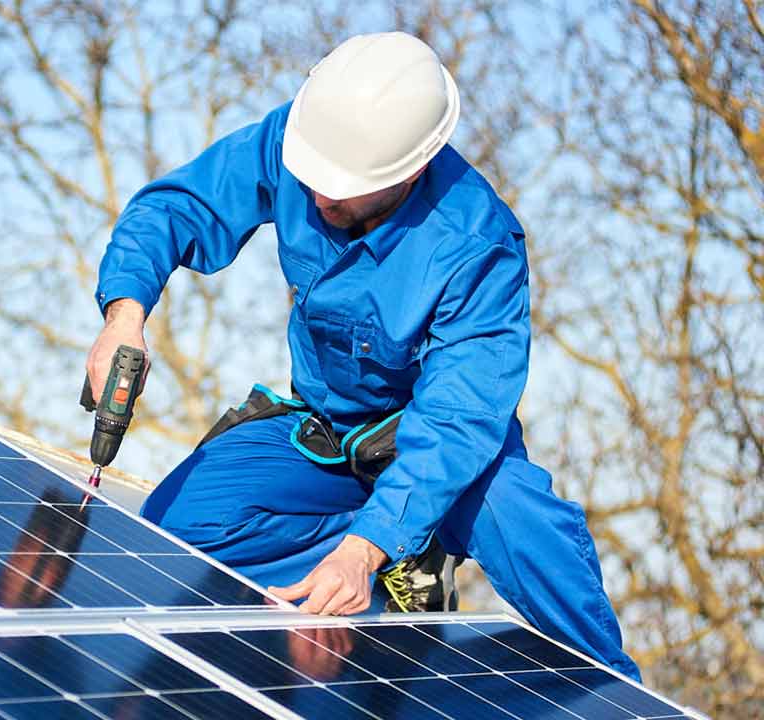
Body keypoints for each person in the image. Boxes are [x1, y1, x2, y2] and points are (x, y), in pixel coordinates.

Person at [84, 31, 642, 681]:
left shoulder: (476, 244)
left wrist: (367, 546)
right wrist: (124, 316)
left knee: (524, 526)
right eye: (313, 181)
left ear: (408, 172)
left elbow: (457, 421)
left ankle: (613, 688)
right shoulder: (298, 140)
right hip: (325, 433)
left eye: (343, 190)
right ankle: (395, 561)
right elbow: (181, 206)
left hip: (429, 446)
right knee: (171, 532)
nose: (319, 200)